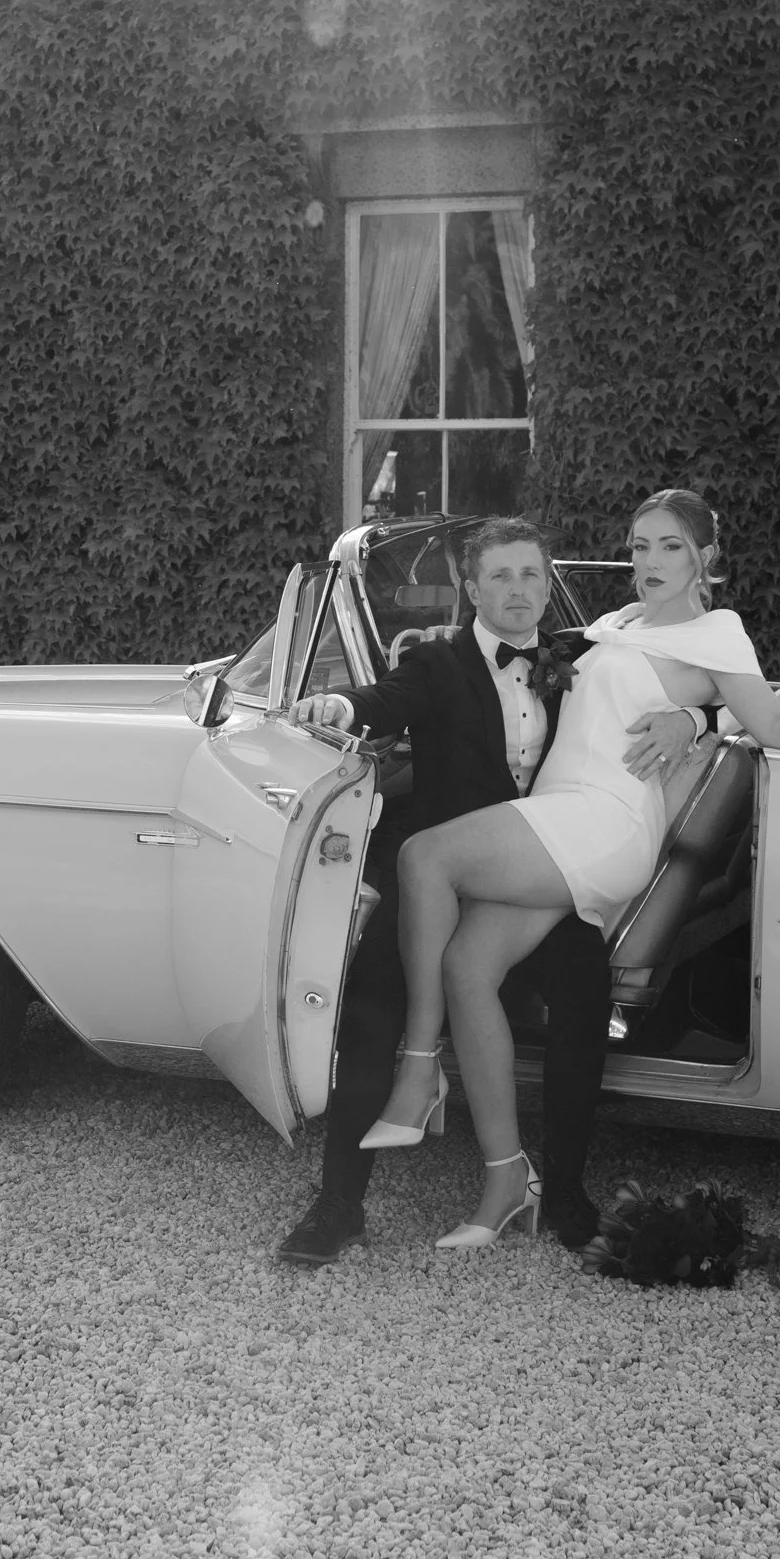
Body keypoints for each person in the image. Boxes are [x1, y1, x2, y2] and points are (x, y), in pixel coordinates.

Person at [364, 488, 780, 1249]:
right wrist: (695, 716)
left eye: (668, 546)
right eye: (636, 546)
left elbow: (776, 713)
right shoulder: (613, 625)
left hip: (604, 820)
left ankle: (417, 1068)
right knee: (467, 966)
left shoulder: (717, 632)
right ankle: (504, 1180)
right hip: (554, 818)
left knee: (423, 855)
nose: (649, 562)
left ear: (704, 558)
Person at [276, 515, 714, 1266]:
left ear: (550, 585)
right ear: (471, 588)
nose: (518, 589)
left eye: (532, 575)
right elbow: (382, 699)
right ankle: (339, 1204)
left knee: (582, 984)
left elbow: (717, 679)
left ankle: (566, 1189)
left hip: (535, 879)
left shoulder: (582, 658)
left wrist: (692, 715)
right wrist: (339, 708)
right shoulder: (437, 663)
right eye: (501, 576)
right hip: (443, 884)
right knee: (372, 1002)